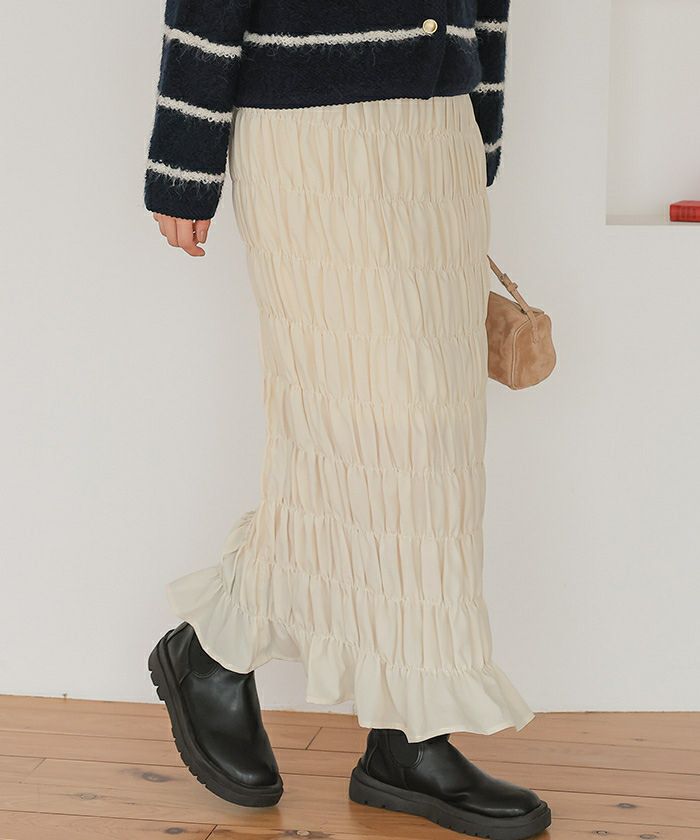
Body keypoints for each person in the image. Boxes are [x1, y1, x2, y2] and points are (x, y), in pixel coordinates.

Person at [144, 2, 552, 837]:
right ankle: (218, 645)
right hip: (313, 127)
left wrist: (480, 115)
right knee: (367, 424)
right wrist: (184, 158)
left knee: (438, 441)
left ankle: (408, 736)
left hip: (437, 126)